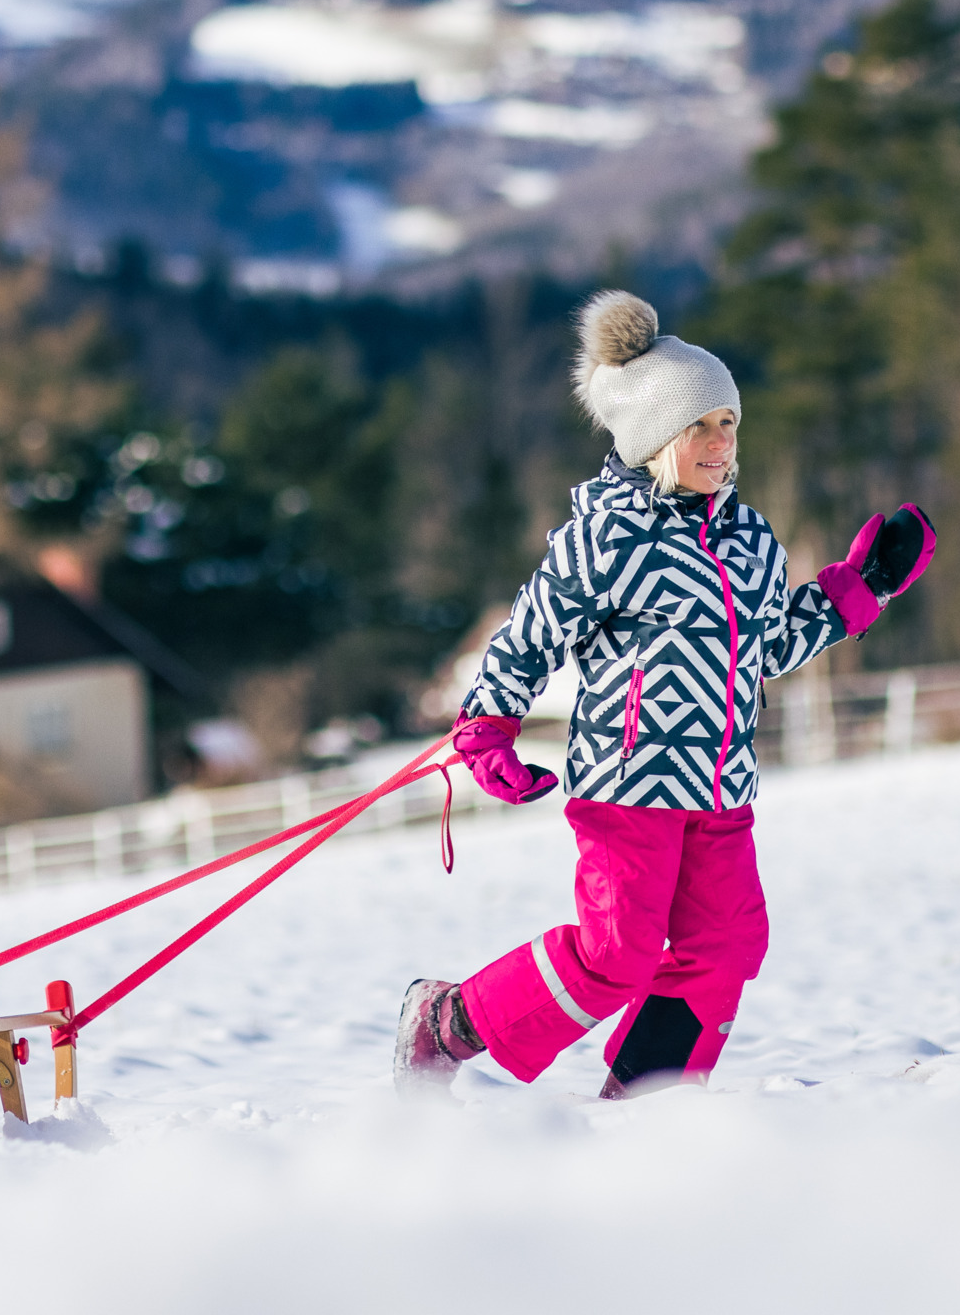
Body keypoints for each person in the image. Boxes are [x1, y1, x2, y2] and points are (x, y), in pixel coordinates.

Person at [396, 289, 933, 1099]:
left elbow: (767, 647)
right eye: (703, 427)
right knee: (618, 955)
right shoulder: (606, 538)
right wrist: (488, 724)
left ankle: (644, 1102)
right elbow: (532, 630)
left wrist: (862, 588)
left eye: (731, 424)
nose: (724, 443)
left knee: (724, 948)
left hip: (720, 790)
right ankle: (446, 1024)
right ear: (655, 438)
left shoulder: (747, 538)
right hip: (629, 785)